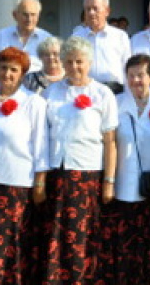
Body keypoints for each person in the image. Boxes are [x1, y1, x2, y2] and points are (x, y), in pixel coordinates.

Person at [41, 36, 118, 284]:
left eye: (79, 62)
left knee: (82, 234)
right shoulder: (51, 92)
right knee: (56, 232)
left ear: (89, 63)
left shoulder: (102, 93)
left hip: (87, 174)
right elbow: (42, 135)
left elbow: (110, 141)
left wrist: (109, 180)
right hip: (56, 172)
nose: (74, 66)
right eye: (69, 61)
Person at [0, 47, 48, 284]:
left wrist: (40, 182)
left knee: (12, 244)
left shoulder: (33, 102)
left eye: (14, 69)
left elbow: (41, 145)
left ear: (23, 74)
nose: (7, 74)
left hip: (16, 185)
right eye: (3, 68)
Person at [98, 54, 150, 283]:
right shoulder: (115, 103)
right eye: (131, 76)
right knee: (123, 248)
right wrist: (109, 181)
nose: (135, 81)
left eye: (140, 75)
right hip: (122, 187)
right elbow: (108, 142)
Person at [0, 0, 52, 85]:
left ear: (38, 16)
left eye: (33, 15)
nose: (29, 19)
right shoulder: (1, 36)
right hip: (6, 91)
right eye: (25, 14)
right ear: (15, 15)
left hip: (36, 91)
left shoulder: (47, 39)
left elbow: (54, 69)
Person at [72, 0, 131, 94]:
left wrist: (128, 94)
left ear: (107, 11)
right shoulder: (77, 37)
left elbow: (127, 67)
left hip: (115, 92)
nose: (91, 13)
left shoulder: (120, 36)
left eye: (95, 8)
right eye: (88, 9)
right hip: (86, 91)